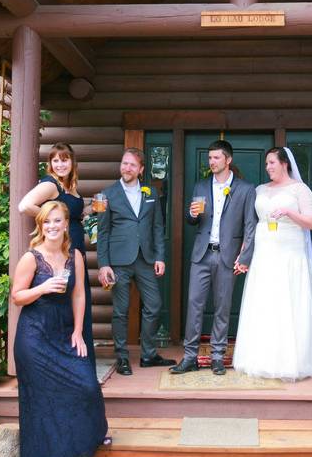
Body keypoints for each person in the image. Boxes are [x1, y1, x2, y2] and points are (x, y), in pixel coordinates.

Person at [11, 201, 109, 457]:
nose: (52, 227)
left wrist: (78, 331)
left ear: (67, 224)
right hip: (34, 335)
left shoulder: (74, 255)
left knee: (86, 384)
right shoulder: (32, 258)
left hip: (64, 331)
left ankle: (86, 439)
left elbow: (79, 295)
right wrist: (42, 287)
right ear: (41, 226)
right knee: (39, 401)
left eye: (57, 221)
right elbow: (17, 296)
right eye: (47, 222)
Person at [233, 147, 312, 380]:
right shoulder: (259, 190)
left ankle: (291, 361)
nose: (268, 167)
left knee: (288, 301)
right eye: (266, 164)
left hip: (290, 252)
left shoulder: (299, 189)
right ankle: (261, 358)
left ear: (285, 163)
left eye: (272, 163)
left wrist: (288, 212)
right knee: (265, 302)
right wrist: (244, 253)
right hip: (264, 250)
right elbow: (251, 225)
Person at [171, 140, 257, 376]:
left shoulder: (246, 189)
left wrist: (245, 256)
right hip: (201, 254)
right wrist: (191, 214)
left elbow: (250, 225)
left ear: (228, 160)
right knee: (194, 305)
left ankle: (218, 356)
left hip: (227, 256)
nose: (211, 162)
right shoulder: (200, 185)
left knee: (222, 307)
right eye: (210, 158)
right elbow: (193, 221)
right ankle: (190, 357)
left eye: (216, 158)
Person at [96, 148, 175, 374]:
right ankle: (121, 357)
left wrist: (160, 257)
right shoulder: (106, 194)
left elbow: (158, 227)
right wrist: (104, 264)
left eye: (132, 165)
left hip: (146, 259)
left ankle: (148, 354)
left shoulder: (150, 193)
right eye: (124, 163)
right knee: (121, 310)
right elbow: (102, 232)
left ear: (140, 169)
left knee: (154, 305)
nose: (126, 168)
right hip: (118, 261)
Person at [18, 143, 95, 367]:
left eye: (64, 160)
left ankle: (80, 356)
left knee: (79, 294)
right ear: (50, 164)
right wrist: (53, 220)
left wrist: (90, 210)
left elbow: (73, 213)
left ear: (72, 162)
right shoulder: (50, 184)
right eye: (55, 160)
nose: (60, 164)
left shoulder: (69, 185)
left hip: (76, 244)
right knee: (67, 297)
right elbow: (24, 206)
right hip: (64, 247)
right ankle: (69, 358)